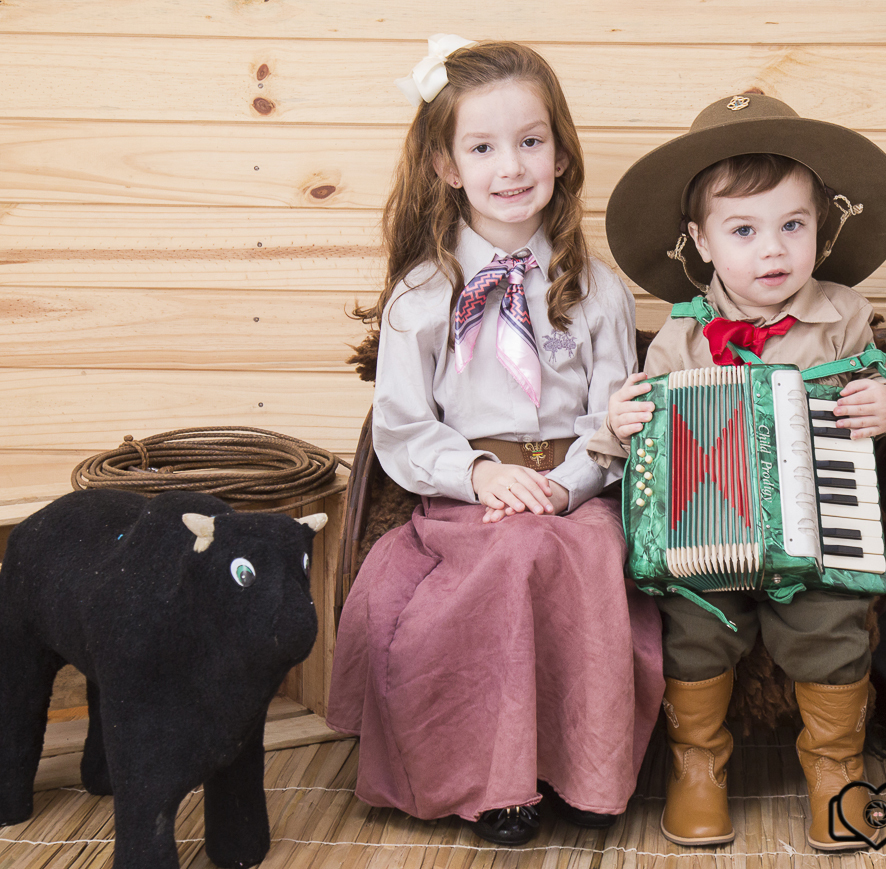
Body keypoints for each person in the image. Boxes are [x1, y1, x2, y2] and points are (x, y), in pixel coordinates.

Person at [326, 36, 664, 847]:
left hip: (574, 490)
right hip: (466, 499)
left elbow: (615, 413)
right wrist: (480, 475)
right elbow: (402, 428)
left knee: (582, 552)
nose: (510, 166)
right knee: (509, 556)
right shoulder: (424, 294)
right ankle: (494, 784)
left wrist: (573, 481)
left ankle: (586, 773)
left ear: (559, 150)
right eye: (482, 147)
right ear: (447, 165)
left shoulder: (597, 289)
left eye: (530, 141)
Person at [588, 91, 886, 852]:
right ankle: (696, 765)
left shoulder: (842, 311)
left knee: (833, 626)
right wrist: (619, 424)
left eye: (793, 226)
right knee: (693, 632)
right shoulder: (679, 334)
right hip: (711, 543)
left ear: (820, 229)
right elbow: (637, 436)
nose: (773, 251)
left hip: (821, 527)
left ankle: (836, 769)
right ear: (700, 241)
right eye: (744, 230)